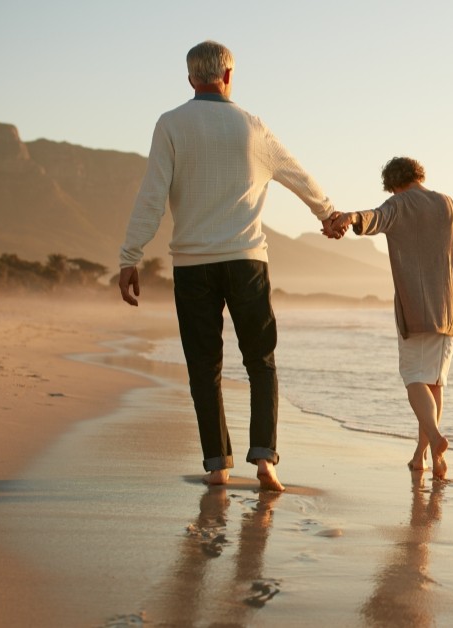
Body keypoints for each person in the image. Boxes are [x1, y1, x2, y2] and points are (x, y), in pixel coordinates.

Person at [118, 40, 343, 491]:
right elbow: (296, 173)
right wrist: (328, 214)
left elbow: (152, 195)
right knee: (260, 361)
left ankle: (217, 465)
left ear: (190, 79)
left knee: (204, 366)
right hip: (246, 262)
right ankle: (265, 461)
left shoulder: (171, 124)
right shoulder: (252, 126)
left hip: (193, 266)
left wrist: (130, 256)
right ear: (228, 76)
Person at [325, 157, 453, 479]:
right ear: (419, 175)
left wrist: (350, 218)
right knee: (434, 382)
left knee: (414, 379)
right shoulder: (448, 205)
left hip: (416, 309)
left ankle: (435, 438)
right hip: (449, 311)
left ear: (393, 183)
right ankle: (424, 457)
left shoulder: (399, 204)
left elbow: (374, 219)